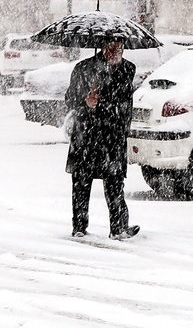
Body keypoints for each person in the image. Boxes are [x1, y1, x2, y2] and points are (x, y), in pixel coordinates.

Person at [64, 37, 140, 240]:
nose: (116, 50)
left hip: (113, 135)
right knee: (81, 181)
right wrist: (85, 101)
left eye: (120, 46)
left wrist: (118, 122)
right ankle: (79, 226)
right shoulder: (83, 68)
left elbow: (124, 102)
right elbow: (69, 98)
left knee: (115, 183)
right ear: (103, 46)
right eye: (111, 46)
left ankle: (118, 227)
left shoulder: (127, 70)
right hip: (86, 134)